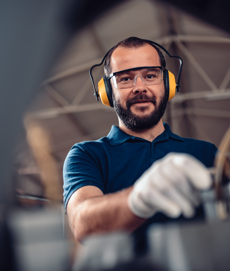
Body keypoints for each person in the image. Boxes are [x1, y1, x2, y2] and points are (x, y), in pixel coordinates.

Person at [63, 37, 217, 253]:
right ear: (107, 91)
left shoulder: (206, 152)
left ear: (167, 84)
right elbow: (82, 223)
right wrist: (138, 199)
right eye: (125, 79)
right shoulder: (88, 154)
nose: (139, 87)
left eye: (150, 76)